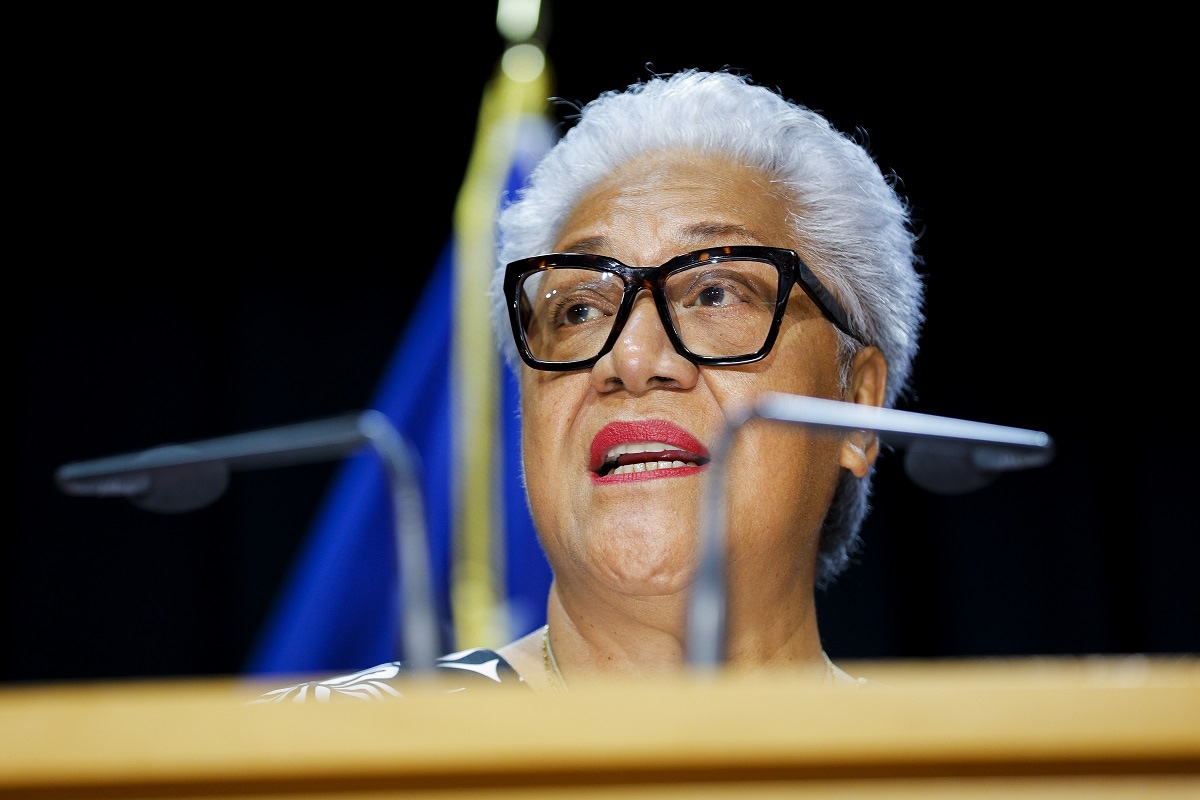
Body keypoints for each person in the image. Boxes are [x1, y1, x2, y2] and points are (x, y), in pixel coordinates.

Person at [252, 68, 924, 703]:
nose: (630, 358)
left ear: (857, 406)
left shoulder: (972, 767)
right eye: (579, 310)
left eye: (715, 292)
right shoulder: (305, 756)